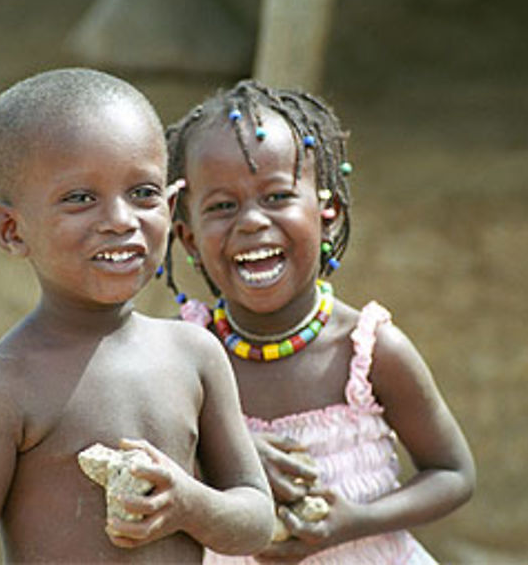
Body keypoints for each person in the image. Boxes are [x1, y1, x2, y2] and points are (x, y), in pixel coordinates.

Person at [0, 68, 274, 563]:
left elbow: (257, 521)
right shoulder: (1, 389)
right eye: (80, 198)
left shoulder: (195, 353)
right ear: (11, 229)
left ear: (172, 208)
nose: (120, 220)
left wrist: (188, 505)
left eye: (143, 193)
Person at [163, 80, 475, 563]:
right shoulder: (184, 354)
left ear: (327, 212)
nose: (250, 222)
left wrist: (352, 521)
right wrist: (224, 454)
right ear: (187, 238)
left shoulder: (367, 351)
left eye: (276, 196)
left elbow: (453, 474)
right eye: (222, 206)